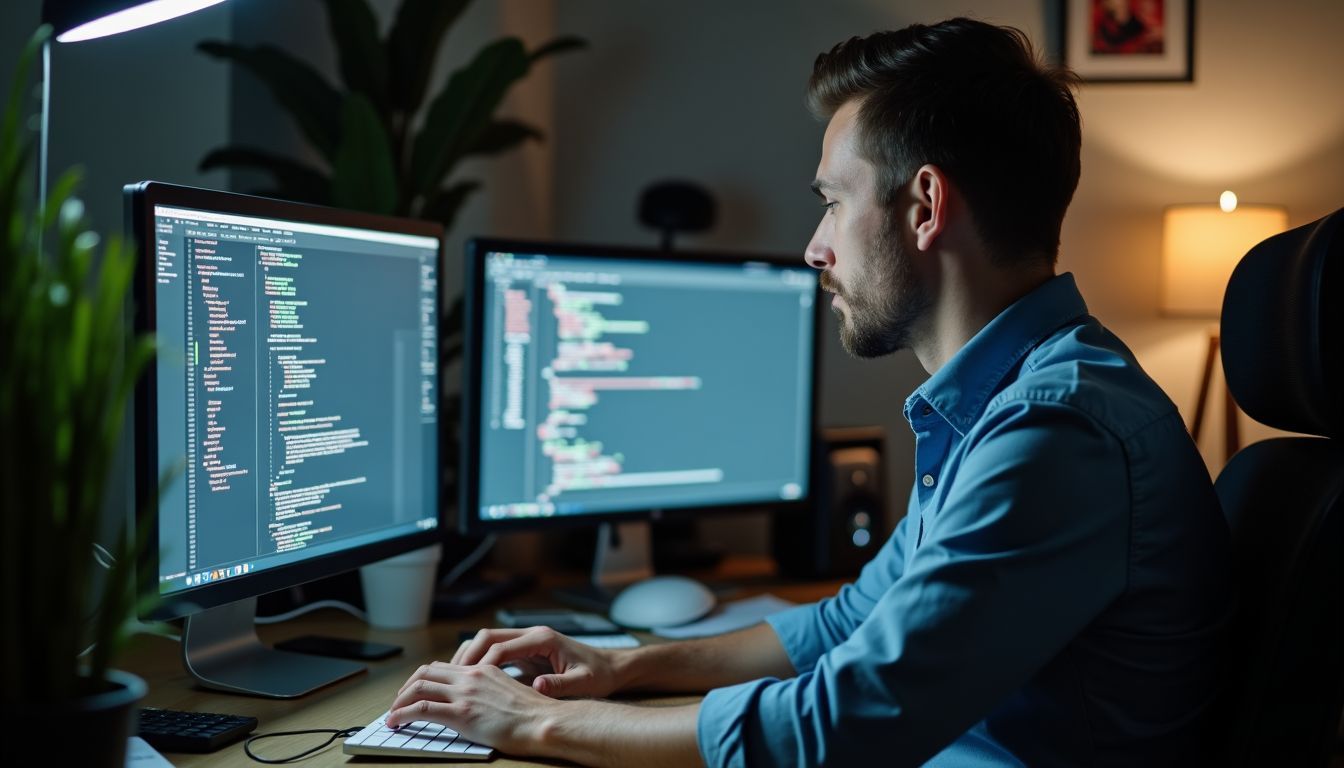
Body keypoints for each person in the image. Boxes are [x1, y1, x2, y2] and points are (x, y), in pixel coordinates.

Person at [384, 17, 1230, 767]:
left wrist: (535, 726)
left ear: (925, 205)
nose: (814, 249)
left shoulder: (1055, 431)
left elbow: (842, 723)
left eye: (831, 202)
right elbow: (851, 622)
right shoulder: (1011, 402)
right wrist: (625, 665)